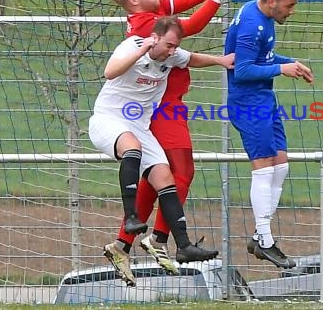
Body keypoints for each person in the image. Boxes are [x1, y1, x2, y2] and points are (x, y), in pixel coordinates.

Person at [102, 0, 249, 284]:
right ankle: (157, 240)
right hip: (163, 107)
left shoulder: (153, 13)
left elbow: (184, 0)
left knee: (160, 177)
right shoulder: (145, 25)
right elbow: (190, 26)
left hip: (171, 105)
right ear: (134, 1)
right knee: (180, 171)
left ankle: (125, 243)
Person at [89, 16, 234, 286]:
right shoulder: (133, 45)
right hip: (109, 120)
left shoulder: (172, 54)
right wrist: (141, 50)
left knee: (165, 178)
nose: (172, 51)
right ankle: (131, 216)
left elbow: (191, 58)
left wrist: (221, 61)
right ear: (155, 37)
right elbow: (109, 72)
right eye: (168, 44)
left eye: (174, 46)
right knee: (132, 148)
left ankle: (183, 244)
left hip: (139, 126)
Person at [225, 0, 314, 269]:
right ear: (272, 1)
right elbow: (243, 71)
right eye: (289, 6)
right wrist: (281, 69)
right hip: (248, 104)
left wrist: (290, 63)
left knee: (281, 163)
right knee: (263, 167)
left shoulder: (261, 14)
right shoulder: (252, 25)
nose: (291, 11)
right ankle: (265, 241)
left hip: (264, 100)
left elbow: (264, 57)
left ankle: (259, 236)